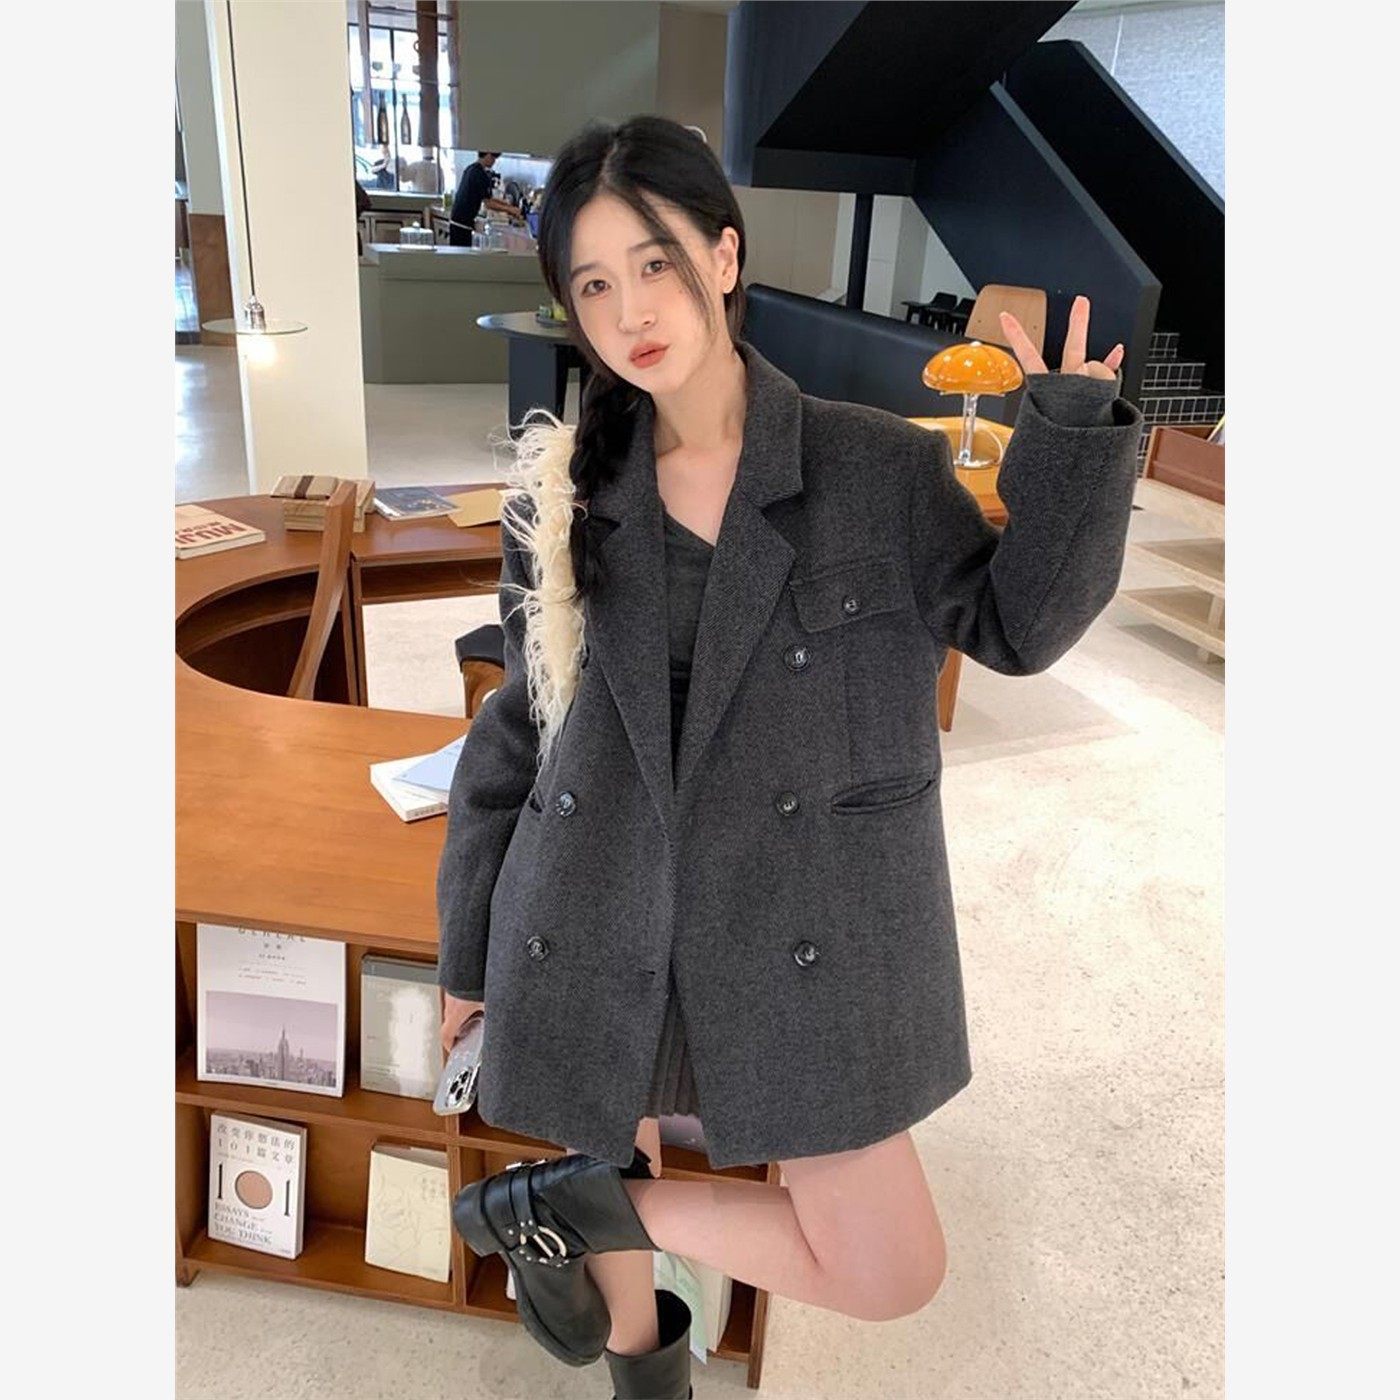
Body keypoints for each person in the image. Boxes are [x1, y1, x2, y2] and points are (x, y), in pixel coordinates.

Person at [437, 114, 1138, 1399]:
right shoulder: (559, 493)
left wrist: (1071, 436)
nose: (629, 311)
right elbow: (518, 729)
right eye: (591, 285)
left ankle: (582, 1207)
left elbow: (1018, 626)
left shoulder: (875, 467)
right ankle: (639, 1349)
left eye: (654, 263)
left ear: (722, 254)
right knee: (620, 1162)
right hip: (599, 890)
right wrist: (467, 953)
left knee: (888, 1264)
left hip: (797, 912)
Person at [447, 150, 523, 245]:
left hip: (456, 221)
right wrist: (510, 210)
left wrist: (507, 205)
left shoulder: (471, 168)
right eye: (493, 158)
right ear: (487, 155)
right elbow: (488, 203)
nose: (494, 161)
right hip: (462, 225)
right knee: (462, 253)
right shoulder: (480, 174)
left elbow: (487, 197)